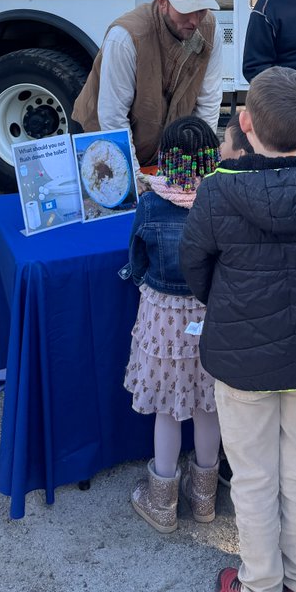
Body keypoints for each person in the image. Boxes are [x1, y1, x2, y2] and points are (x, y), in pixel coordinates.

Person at [181, 66, 296, 592]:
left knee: (256, 478)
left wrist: (233, 306)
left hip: (242, 356)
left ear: (246, 122)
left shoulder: (216, 191)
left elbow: (195, 269)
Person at [123, 116, 221, 533]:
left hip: (164, 317)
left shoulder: (149, 204)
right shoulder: (221, 202)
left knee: (167, 409)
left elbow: (136, 262)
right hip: (211, 316)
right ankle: (204, 499)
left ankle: (162, 502)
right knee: (208, 408)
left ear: (164, 158)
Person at [73, 0, 221, 170]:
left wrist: (200, 159)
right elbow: (112, 116)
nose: (195, 20)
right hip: (109, 139)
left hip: (162, 149)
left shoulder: (212, 31)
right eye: (186, 11)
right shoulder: (125, 37)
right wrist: (133, 174)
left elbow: (209, 101)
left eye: (201, 10)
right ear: (163, 3)